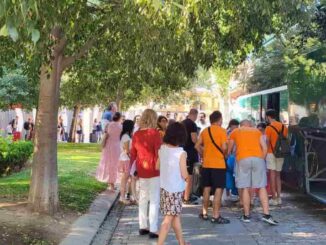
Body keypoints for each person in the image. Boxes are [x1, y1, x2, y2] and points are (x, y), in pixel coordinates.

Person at [228, 119, 278, 225]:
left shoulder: (235, 131)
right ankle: (266, 214)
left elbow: (230, 149)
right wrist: (261, 159)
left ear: (241, 125)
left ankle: (246, 215)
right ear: (250, 125)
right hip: (258, 159)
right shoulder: (257, 131)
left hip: (242, 159)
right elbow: (264, 147)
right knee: (261, 187)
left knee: (245, 187)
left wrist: (229, 155)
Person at [130, 109, 161, 239]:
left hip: (141, 168)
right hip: (154, 169)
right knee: (154, 199)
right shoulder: (154, 133)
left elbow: (133, 154)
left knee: (143, 198)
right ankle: (153, 228)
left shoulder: (136, 134)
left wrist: (132, 170)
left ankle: (142, 226)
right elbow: (159, 153)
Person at [157, 122, 189, 245]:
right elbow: (184, 174)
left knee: (175, 216)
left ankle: (182, 242)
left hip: (164, 188)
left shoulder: (162, 149)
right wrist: (187, 180)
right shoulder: (181, 153)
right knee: (168, 220)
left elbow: (157, 166)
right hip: (175, 190)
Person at [195, 111, 230, 224]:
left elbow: (197, 145)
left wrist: (203, 154)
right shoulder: (222, 131)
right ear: (219, 120)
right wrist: (225, 153)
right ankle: (216, 215)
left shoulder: (205, 131)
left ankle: (204, 213)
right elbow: (224, 147)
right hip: (219, 164)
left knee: (206, 188)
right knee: (218, 189)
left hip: (206, 164)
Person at [265, 109, 288, 206]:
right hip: (281, 153)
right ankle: (279, 197)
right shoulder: (283, 127)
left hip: (271, 153)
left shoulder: (269, 128)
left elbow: (266, 142)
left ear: (268, 117)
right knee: (278, 175)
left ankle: (274, 198)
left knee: (272, 175)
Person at [96, 112, 122, 190]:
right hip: (116, 146)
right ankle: (112, 184)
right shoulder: (121, 126)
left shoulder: (108, 125)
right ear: (119, 118)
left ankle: (109, 182)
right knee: (115, 164)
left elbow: (105, 133)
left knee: (108, 163)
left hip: (108, 146)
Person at [182, 108, 199, 204]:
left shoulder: (182, 123)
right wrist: (199, 145)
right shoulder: (192, 124)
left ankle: (184, 195)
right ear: (195, 115)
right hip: (190, 152)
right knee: (190, 176)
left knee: (183, 175)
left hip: (182, 151)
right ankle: (187, 197)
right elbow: (194, 139)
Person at [119, 119, 135, 204]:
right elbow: (127, 150)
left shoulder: (125, 136)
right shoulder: (126, 137)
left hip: (124, 159)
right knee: (125, 179)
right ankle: (122, 197)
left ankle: (125, 196)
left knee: (126, 179)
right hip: (126, 160)